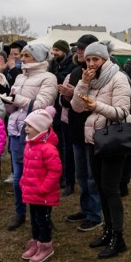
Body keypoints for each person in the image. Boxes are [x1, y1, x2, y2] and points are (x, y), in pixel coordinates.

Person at [71, 41, 131, 259]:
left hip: (114, 140)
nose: (91, 63)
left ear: (104, 59)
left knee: (110, 190)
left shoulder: (118, 78)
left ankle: (119, 237)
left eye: (95, 59)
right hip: (94, 139)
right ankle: (107, 231)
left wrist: (96, 106)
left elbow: (123, 112)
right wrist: (83, 84)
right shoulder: (90, 79)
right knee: (99, 186)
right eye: (87, 59)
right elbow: (77, 107)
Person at [5, 43, 57, 231]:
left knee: (38, 176)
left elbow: (41, 105)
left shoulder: (48, 78)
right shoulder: (19, 76)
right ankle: (20, 212)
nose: (22, 59)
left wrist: (15, 99)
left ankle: (44, 215)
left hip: (37, 131)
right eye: (23, 55)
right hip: (17, 129)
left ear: (37, 57)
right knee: (20, 176)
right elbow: (13, 108)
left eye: (27, 55)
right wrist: (6, 99)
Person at [58, 34, 104, 232]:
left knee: (93, 176)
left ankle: (96, 214)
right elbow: (65, 104)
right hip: (76, 129)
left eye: (83, 49)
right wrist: (67, 96)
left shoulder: (103, 74)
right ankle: (86, 209)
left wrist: (76, 96)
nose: (79, 52)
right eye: (78, 48)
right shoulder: (76, 71)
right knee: (81, 174)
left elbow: (97, 103)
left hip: (94, 130)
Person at [19, 106, 61, 262]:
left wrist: (44, 188)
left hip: (43, 194)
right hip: (32, 192)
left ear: (39, 128)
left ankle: (45, 245)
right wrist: (24, 182)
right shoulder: (30, 145)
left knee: (43, 219)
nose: (26, 129)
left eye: (29, 126)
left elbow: (55, 171)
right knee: (34, 219)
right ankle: (36, 241)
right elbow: (27, 168)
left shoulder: (48, 149)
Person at [48, 39, 77, 196]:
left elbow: (60, 81)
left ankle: (68, 178)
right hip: (56, 108)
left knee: (67, 148)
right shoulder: (53, 63)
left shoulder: (72, 66)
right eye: (53, 50)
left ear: (64, 51)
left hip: (67, 111)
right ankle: (62, 176)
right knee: (58, 145)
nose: (55, 53)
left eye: (57, 50)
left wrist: (54, 76)